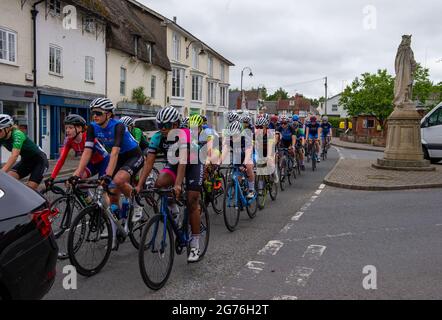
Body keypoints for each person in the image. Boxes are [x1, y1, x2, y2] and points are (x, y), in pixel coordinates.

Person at [71, 98, 144, 248]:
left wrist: (108, 175)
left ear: (109, 114)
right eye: (93, 113)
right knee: (112, 193)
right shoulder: (92, 127)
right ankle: (117, 225)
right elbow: (87, 151)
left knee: (117, 180)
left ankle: (137, 203)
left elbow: (115, 152)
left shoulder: (118, 126)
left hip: (132, 155)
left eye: (98, 113)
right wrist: (77, 173)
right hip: (116, 157)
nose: (94, 116)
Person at [136, 106, 204, 263]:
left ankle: (194, 243)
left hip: (193, 162)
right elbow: (149, 163)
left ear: (175, 125)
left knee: (192, 200)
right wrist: (139, 185)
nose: (162, 129)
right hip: (174, 163)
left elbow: (183, 161)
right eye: (159, 126)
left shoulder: (185, 134)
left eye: (165, 126)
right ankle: (173, 210)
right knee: (159, 183)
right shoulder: (157, 137)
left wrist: (178, 184)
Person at [46, 114, 109, 184]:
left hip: (104, 162)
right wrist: (52, 177)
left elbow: (105, 155)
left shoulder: (88, 137)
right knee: (74, 181)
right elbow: (61, 159)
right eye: (66, 128)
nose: (67, 130)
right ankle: (85, 195)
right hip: (91, 164)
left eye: (70, 128)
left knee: (102, 185)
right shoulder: (69, 140)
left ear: (79, 128)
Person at [0, 114, 49, 190]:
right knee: (7, 180)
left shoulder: (17, 134)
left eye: (0, 130)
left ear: (8, 128)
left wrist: (2, 172)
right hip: (26, 161)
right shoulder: (1, 137)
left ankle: (43, 202)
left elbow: (14, 156)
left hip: (40, 161)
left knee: (29, 190)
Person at [220, 121, 255, 199]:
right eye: (231, 136)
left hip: (247, 157)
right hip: (237, 158)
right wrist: (218, 163)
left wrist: (244, 164)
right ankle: (240, 194)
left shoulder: (246, 139)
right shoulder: (230, 140)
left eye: (235, 135)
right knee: (237, 179)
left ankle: (251, 190)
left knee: (249, 167)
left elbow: (248, 153)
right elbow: (224, 152)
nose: (233, 138)